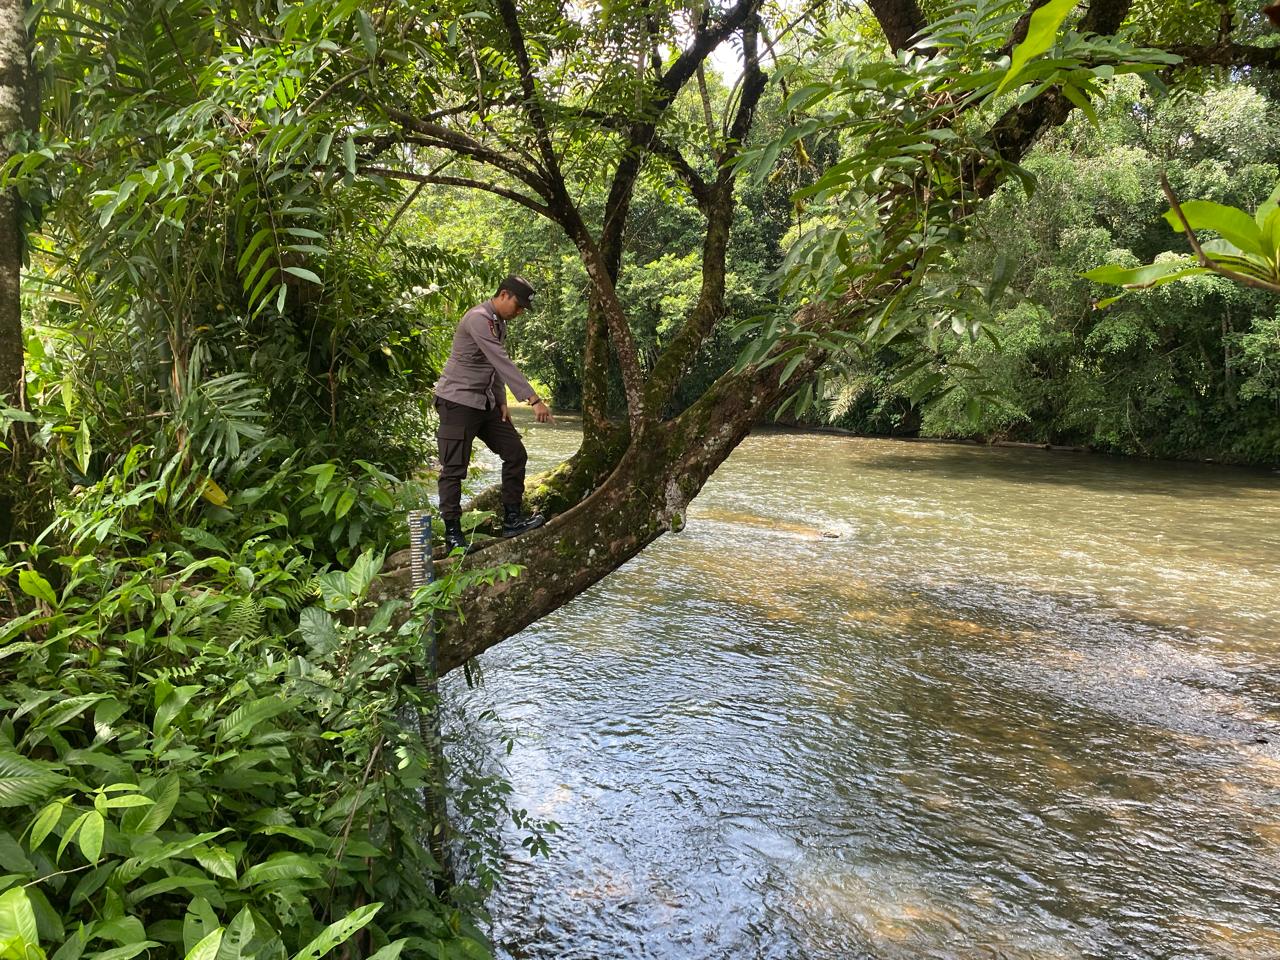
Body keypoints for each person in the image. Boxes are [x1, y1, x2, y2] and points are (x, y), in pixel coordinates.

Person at [433, 275, 555, 553]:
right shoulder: (478, 318)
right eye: (519, 305)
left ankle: (512, 519)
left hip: (485, 404)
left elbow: (494, 367)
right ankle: (453, 536)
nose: (520, 312)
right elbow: (501, 359)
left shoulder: (499, 325)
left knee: (515, 453)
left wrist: (501, 401)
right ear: (503, 295)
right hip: (457, 403)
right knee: (453, 469)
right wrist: (533, 399)